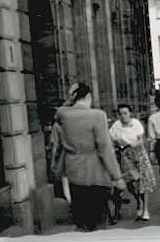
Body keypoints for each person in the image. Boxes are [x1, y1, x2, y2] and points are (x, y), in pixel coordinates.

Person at [54, 83, 126, 232]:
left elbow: (62, 110)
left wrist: (71, 99)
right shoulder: (98, 116)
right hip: (96, 173)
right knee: (98, 221)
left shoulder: (63, 115)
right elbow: (104, 148)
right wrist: (117, 177)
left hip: (74, 172)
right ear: (88, 96)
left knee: (81, 220)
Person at [109, 104, 157, 222]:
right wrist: (117, 145)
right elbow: (111, 139)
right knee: (130, 182)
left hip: (138, 154)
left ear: (130, 113)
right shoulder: (116, 125)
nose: (123, 116)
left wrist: (133, 144)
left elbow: (141, 139)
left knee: (143, 182)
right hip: (125, 156)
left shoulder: (136, 123)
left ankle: (145, 209)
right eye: (120, 114)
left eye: (125, 113)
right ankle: (139, 201)